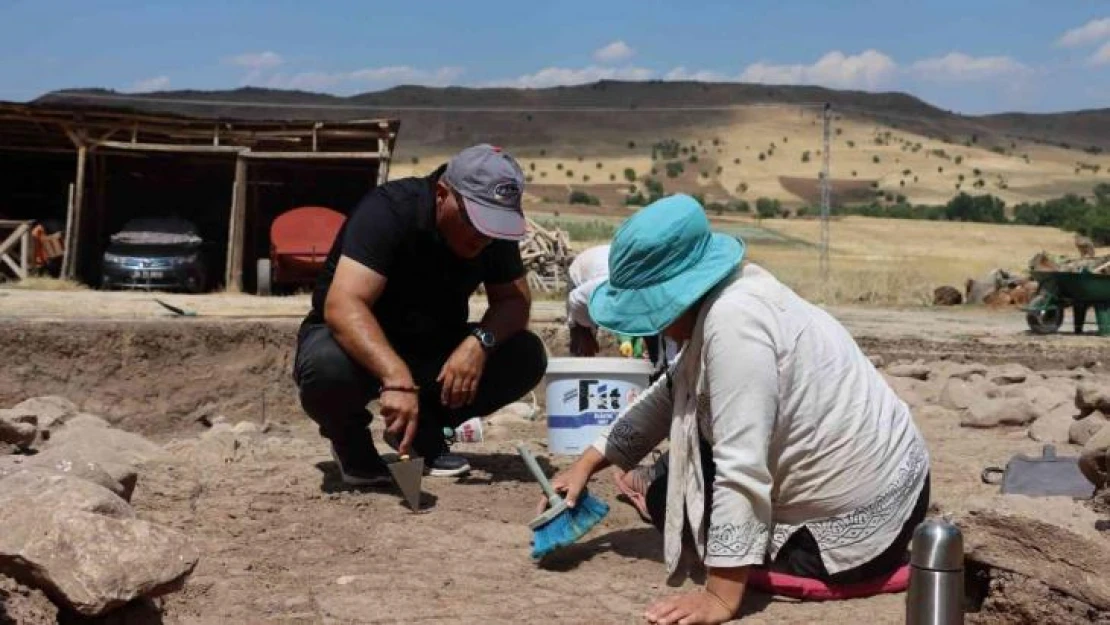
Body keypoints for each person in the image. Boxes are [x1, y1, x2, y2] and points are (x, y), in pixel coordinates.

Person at [542, 194, 930, 625]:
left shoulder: (734, 322)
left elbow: (741, 467)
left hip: (861, 520)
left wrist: (720, 596)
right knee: (676, 485)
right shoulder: (728, 292)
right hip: (895, 485)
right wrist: (586, 465)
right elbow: (669, 392)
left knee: (672, 502)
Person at [294, 144, 548, 485]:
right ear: (443, 194)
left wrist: (478, 344)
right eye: (476, 222)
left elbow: (514, 302)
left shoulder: (490, 234)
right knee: (326, 366)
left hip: (431, 346)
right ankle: (350, 442)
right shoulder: (389, 211)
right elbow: (344, 305)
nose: (484, 238)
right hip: (354, 347)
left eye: (494, 226)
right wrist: (396, 379)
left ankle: (424, 432)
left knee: (525, 354)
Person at [566, 243, 677, 375]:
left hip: (618, 271)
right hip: (584, 272)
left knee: (656, 346)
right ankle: (578, 379)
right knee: (582, 344)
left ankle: (655, 371)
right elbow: (575, 299)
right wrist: (586, 329)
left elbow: (668, 344)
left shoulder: (660, 301)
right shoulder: (605, 287)